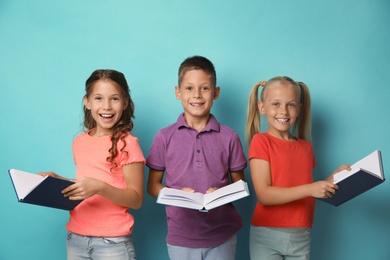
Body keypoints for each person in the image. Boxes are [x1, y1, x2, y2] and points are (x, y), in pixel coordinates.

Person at [146, 56, 247, 260]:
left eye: (205, 88)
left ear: (216, 92)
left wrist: (220, 193)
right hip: (180, 236)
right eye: (189, 88)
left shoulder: (229, 137)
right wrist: (178, 195)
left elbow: (240, 184)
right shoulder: (164, 136)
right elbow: (152, 186)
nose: (197, 95)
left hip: (222, 236)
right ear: (178, 92)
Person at [39, 69, 145, 260]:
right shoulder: (80, 141)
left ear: (125, 102)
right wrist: (57, 180)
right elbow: (86, 185)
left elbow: (136, 199)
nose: (106, 106)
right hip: (76, 238)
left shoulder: (128, 143)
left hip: (112, 243)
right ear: (87, 102)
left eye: (114, 99)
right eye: (98, 98)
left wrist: (100, 188)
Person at [246, 77, 350, 260]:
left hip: (301, 234)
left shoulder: (306, 147)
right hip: (267, 234)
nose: (283, 111)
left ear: (299, 109)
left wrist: (333, 178)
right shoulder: (261, 142)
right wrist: (312, 188)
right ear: (262, 107)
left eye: (291, 105)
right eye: (276, 104)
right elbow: (264, 194)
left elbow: (309, 188)